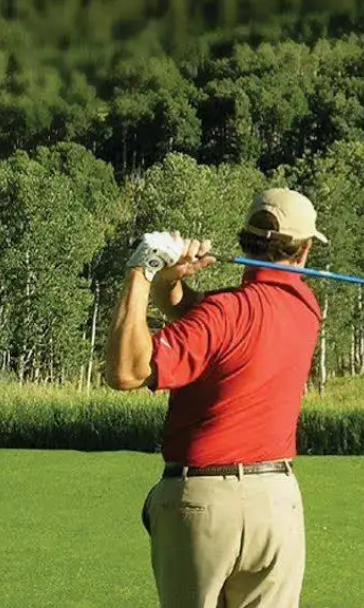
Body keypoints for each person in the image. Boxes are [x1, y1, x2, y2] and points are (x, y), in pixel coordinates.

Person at [104, 187, 328, 608]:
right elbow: (206, 321)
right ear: (303, 251)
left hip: (203, 506)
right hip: (277, 504)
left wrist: (142, 271)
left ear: (244, 239)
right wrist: (171, 281)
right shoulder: (306, 308)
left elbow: (126, 371)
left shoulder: (223, 314)